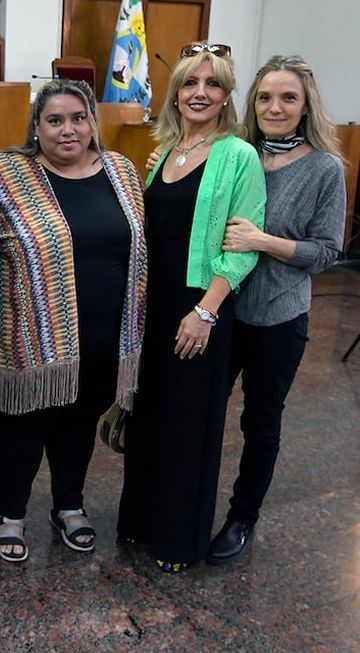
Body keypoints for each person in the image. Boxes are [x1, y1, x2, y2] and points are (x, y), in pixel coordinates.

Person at [0, 79, 147, 562]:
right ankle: (10, 515)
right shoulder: (4, 175)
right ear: (36, 127)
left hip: (105, 334)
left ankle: (69, 505)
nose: (68, 130)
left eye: (78, 118)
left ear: (93, 122)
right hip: (25, 337)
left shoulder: (121, 171)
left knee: (78, 423)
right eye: (54, 120)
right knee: (21, 429)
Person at [117, 42, 266, 572]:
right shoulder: (165, 153)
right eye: (189, 83)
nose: (199, 93)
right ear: (175, 93)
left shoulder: (238, 155)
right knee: (149, 416)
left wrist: (205, 312)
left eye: (213, 84)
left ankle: (178, 541)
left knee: (188, 425)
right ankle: (139, 522)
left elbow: (241, 246)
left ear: (227, 96)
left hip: (199, 307)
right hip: (152, 308)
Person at [207, 55, 347, 563]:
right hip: (220, 308)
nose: (275, 106)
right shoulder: (235, 153)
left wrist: (263, 241)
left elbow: (327, 252)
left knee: (261, 421)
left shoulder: (324, 168)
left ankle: (243, 516)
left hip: (277, 316)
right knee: (202, 410)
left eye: (288, 97)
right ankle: (191, 505)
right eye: (265, 96)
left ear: (306, 104)